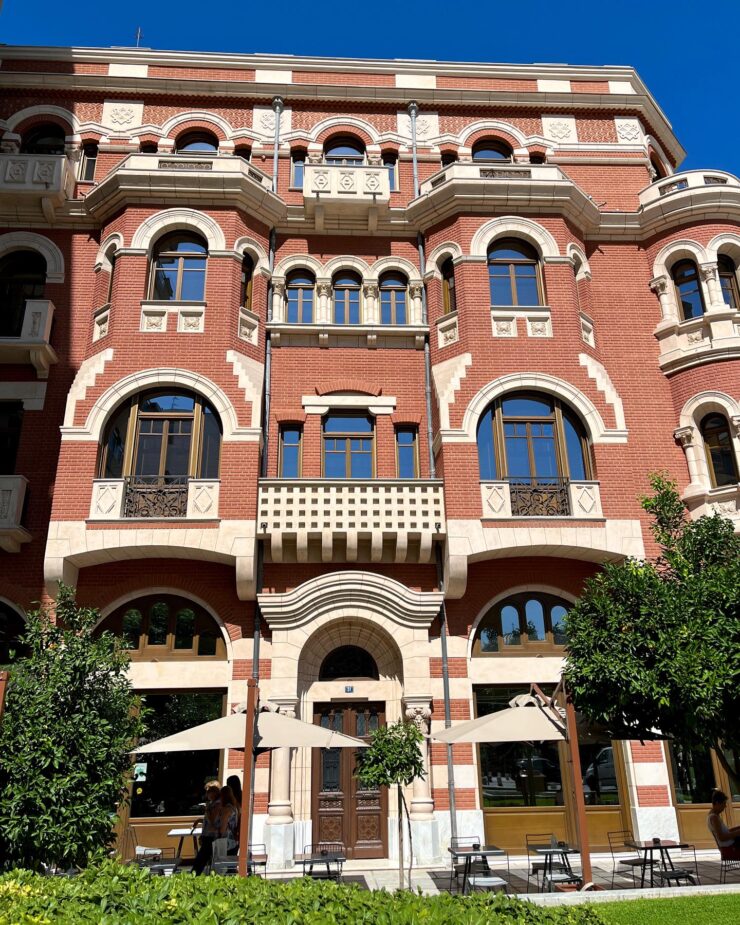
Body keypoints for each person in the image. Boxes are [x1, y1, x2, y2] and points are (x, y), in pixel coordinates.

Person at [192, 780, 221, 874]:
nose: (206, 794)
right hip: (207, 834)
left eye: (208, 792)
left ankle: (193, 876)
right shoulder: (212, 803)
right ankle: (195, 874)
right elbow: (208, 820)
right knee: (202, 859)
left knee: (201, 859)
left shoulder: (217, 804)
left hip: (211, 836)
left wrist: (207, 809)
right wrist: (199, 821)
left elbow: (213, 820)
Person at [707, 789, 740, 859]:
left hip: (730, 847)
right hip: (729, 849)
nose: (725, 806)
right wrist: (737, 833)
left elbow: (726, 832)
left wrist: (738, 828)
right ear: (717, 803)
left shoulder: (714, 816)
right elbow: (722, 837)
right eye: (724, 803)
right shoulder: (714, 818)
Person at [218, 785, 241, 856]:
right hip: (234, 839)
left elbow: (223, 828)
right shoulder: (235, 807)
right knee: (231, 861)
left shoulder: (226, 809)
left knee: (222, 861)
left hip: (226, 840)